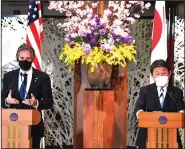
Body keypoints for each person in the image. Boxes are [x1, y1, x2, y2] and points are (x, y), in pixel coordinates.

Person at [1, 43, 54, 148]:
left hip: (34, 127)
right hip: (12, 126)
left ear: (32, 59)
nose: (24, 61)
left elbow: (49, 102)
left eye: (28, 58)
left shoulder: (43, 77)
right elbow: (2, 100)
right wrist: (7, 101)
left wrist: (36, 103)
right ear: (17, 58)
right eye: (22, 58)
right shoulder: (8, 76)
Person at [135, 59, 185, 149]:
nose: (160, 76)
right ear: (152, 76)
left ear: (169, 74)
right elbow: (139, 107)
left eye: (163, 73)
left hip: (171, 137)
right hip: (147, 136)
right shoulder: (145, 90)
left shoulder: (177, 92)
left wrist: (182, 112)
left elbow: (181, 108)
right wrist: (139, 111)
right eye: (157, 74)